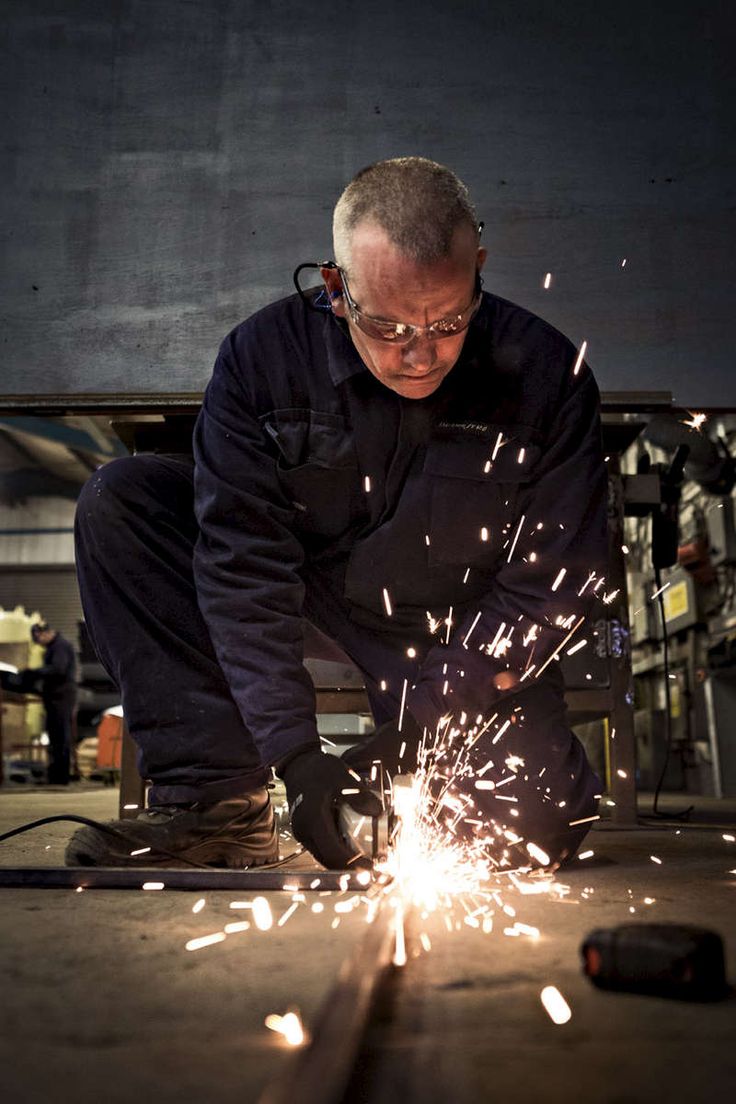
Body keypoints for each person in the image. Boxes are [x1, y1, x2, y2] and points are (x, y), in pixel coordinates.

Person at [67, 157, 607, 870]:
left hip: (455, 628)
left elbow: (556, 581)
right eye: (387, 327)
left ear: (477, 267)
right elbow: (245, 570)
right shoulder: (262, 362)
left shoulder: (545, 375)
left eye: (447, 322)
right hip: (315, 594)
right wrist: (296, 757)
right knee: (125, 501)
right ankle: (217, 808)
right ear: (335, 288)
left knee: (534, 825)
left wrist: (428, 721)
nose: (420, 355)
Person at [25, 622, 77, 786]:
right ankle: (56, 775)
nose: (39, 642)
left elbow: (58, 669)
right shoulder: (54, 647)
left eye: (39, 638)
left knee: (60, 735)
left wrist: (35, 673)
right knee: (55, 735)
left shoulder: (59, 646)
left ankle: (60, 777)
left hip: (61, 697)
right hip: (56, 697)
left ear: (45, 633)